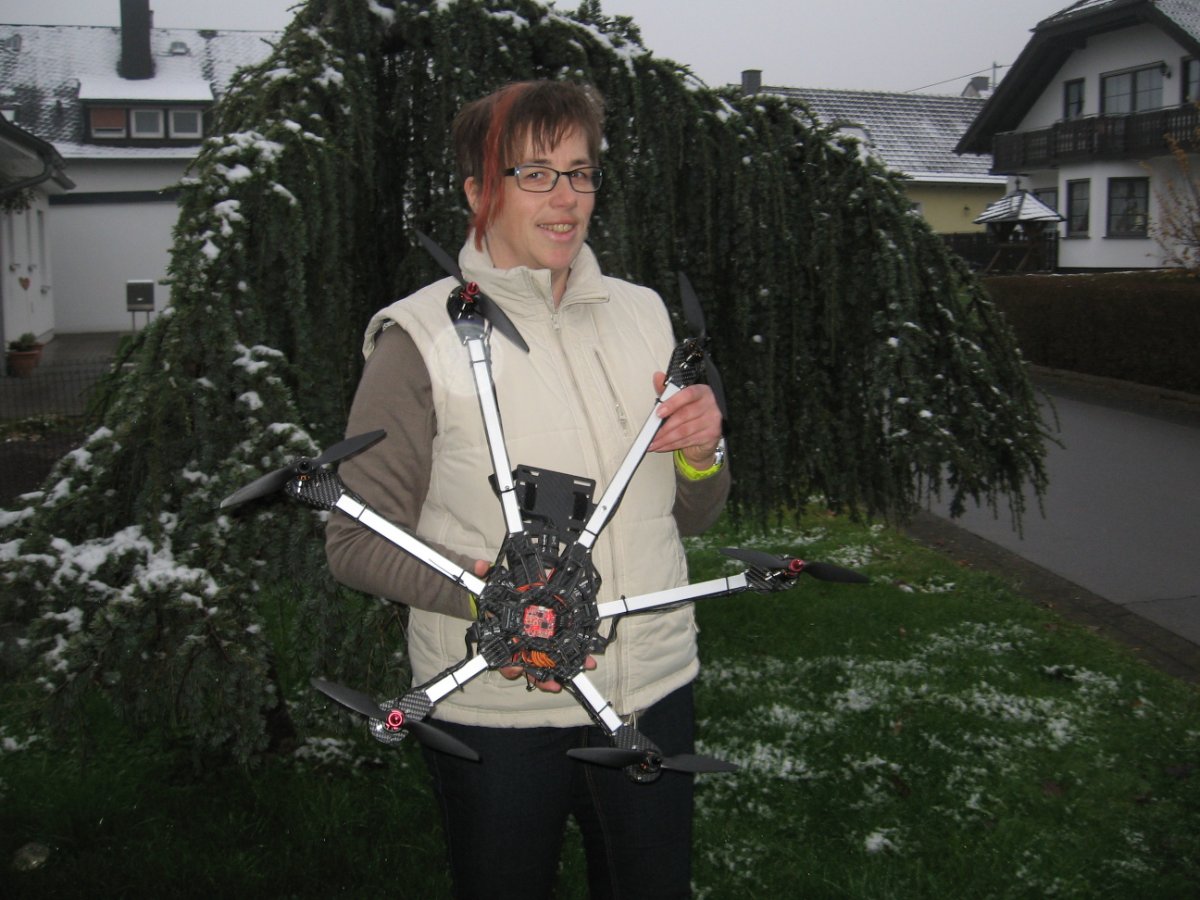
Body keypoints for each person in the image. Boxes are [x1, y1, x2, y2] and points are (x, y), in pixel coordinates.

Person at [325, 80, 729, 900]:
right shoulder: (419, 339)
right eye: (535, 174)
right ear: (479, 191)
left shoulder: (644, 315)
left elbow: (692, 513)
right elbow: (355, 539)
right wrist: (497, 600)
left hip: (651, 692)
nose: (566, 198)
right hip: (497, 712)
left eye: (580, 172)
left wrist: (701, 453)